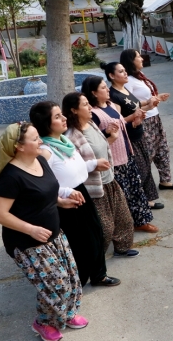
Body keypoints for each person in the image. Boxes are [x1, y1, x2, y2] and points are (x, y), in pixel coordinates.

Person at [0, 122, 87, 341]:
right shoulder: (11, 177)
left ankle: (67, 313)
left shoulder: (40, 160)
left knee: (71, 279)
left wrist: (60, 202)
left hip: (53, 233)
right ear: (19, 146)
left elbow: (44, 192)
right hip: (27, 241)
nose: (41, 141)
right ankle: (43, 322)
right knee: (55, 285)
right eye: (35, 139)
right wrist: (30, 229)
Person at [29, 101, 120, 288]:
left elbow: (73, 168)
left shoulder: (64, 141)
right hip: (65, 201)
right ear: (46, 123)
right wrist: (63, 193)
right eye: (57, 117)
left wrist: (93, 164)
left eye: (61, 114)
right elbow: (41, 183)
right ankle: (76, 282)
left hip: (81, 192)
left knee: (96, 234)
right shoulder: (45, 151)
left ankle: (98, 275)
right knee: (79, 242)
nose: (64, 119)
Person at [63, 92, 139, 258]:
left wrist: (110, 136)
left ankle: (122, 248)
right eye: (85, 105)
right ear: (74, 110)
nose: (90, 107)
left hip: (110, 180)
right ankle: (95, 261)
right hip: (94, 189)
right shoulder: (71, 136)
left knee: (124, 220)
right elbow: (72, 166)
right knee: (104, 228)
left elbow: (101, 148)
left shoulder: (91, 124)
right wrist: (94, 165)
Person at [81, 76, 158, 234]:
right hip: (114, 161)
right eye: (103, 88)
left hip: (126, 153)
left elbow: (121, 124)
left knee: (136, 189)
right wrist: (107, 132)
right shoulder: (94, 114)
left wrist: (134, 121)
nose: (108, 89)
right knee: (123, 196)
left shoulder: (110, 105)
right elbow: (97, 137)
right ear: (94, 93)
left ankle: (140, 221)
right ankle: (125, 228)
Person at [120, 49, 173, 193]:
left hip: (155, 117)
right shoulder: (128, 81)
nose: (141, 58)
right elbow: (129, 104)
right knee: (147, 154)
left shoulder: (140, 77)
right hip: (145, 120)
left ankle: (165, 180)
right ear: (131, 61)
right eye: (138, 57)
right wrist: (148, 103)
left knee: (162, 148)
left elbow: (144, 98)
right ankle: (142, 190)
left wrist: (156, 99)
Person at [101, 62, 162, 208]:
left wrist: (151, 104)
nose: (125, 73)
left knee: (146, 166)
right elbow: (118, 121)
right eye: (121, 71)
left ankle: (148, 200)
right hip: (129, 137)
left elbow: (137, 108)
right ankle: (142, 203)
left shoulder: (125, 90)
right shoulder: (114, 96)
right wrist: (134, 117)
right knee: (140, 170)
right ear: (111, 76)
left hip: (139, 133)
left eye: (125, 70)